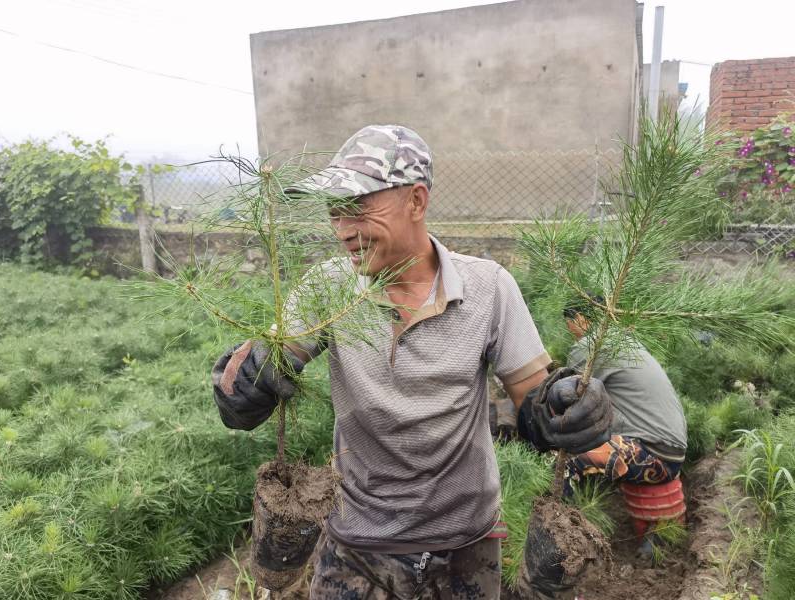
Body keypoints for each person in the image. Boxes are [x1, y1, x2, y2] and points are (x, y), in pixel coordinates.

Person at [211, 125, 611, 599]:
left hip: (465, 543)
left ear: (417, 202)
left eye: (358, 208)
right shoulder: (328, 288)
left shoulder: (488, 288)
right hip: (355, 542)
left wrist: (565, 409)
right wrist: (241, 384)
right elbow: (270, 360)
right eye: (334, 213)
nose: (343, 230)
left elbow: (534, 401)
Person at [560, 295, 687, 503]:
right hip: (671, 452)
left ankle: (560, 528)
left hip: (653, 454)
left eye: (569, 324)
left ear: (581, 318)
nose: (570, 332)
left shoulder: (590, 346)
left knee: (564, 461)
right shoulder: (624, 342)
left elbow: (568, 400)